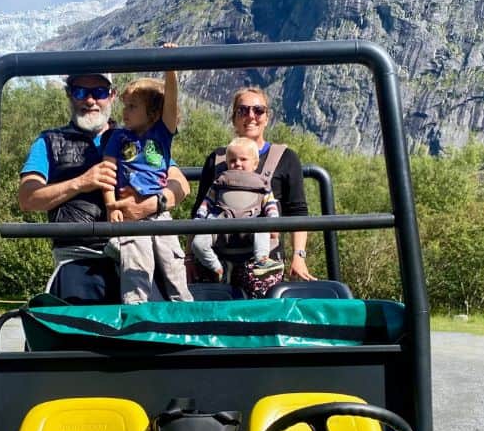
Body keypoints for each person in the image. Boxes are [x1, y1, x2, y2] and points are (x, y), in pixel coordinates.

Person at [18, 72, 190, 303]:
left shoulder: (138, 136)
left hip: (137, 246)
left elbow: (180, 185)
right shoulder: (50, 141)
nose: (90, 101)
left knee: (160, 309)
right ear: (70, 95)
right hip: (80, 256)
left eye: (98, 92)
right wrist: (80, 183)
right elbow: (28, 198)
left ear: (111, 96)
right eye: (80, 92)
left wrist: (153, 204)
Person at [193, 87, 316, 297]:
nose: (251, 116)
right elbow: (199, 209)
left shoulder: (286, 158)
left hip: (263, 259)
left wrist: (299, 256)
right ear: (234, 118)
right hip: (216, 255)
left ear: (267, 118)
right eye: (243, 110)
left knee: (261, 315)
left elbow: (297, 211)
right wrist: (189, 257)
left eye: (258, 110)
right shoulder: (217, 159)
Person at [101, 55, 192, 304]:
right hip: (129, 212)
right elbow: (107, 172)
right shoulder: (118, 138)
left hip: (159, 214)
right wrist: (111, 205)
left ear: (152, 112)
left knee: (173, 265)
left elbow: (171, 102)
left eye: (132, 106)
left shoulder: (161, 134)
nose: (125, 112)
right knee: (136, 269)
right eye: (125, 106)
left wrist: (170, 68)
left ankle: (185, 315)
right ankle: (135, 317)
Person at [191, 137, 284, 281]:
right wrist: (199, 219)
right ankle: (217, 267)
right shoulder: (220, 182)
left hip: (251, 224)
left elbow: (270, 204)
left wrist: (274, 223)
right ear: (227, 163)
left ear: (255, 164)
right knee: (198, 243)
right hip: (221, 223)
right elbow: (207, 202)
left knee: (263, 228)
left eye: (243, 159)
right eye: (233, 160)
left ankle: (262, 260)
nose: (238, 164)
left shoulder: (261, 184)